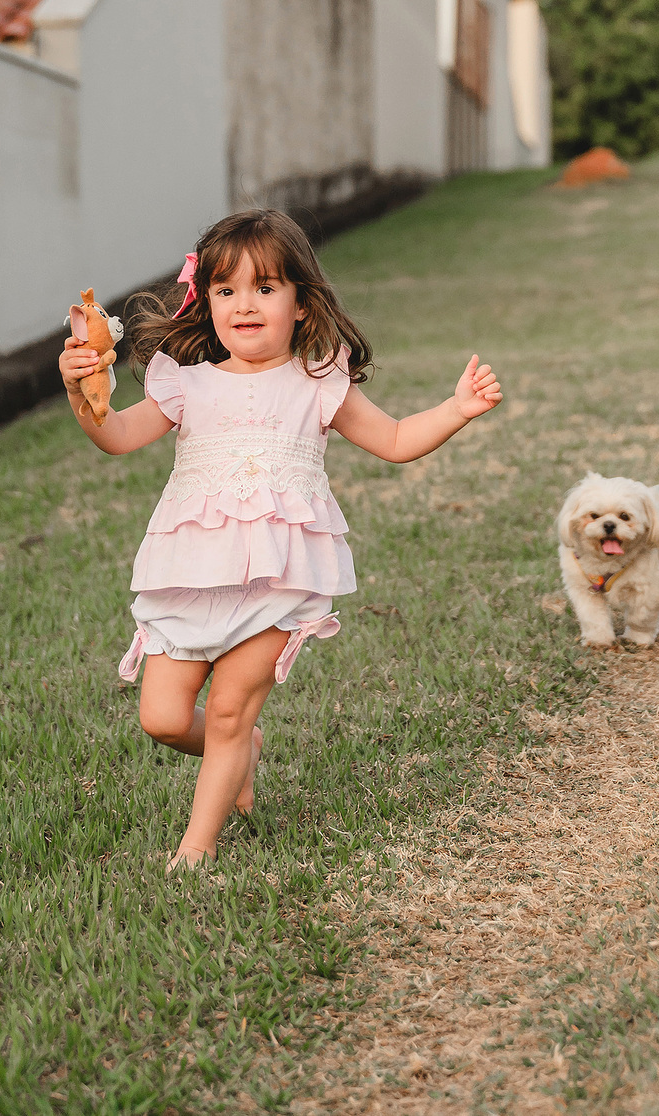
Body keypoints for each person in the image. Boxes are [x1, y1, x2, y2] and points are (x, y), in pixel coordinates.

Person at [58, 208, 502, 872]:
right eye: (226, 290)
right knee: (164, 719)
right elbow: (115, 436)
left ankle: (196, 848)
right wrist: (80, 392)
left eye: (265, 288)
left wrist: (456, 409)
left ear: (300, 302)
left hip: (279, 578)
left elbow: (395, 440)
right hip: (190, 573)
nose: (245, 305)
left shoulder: (317, 382)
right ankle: (243, 747)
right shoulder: (185, 382)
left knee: (228, 712)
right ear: (206, 301)